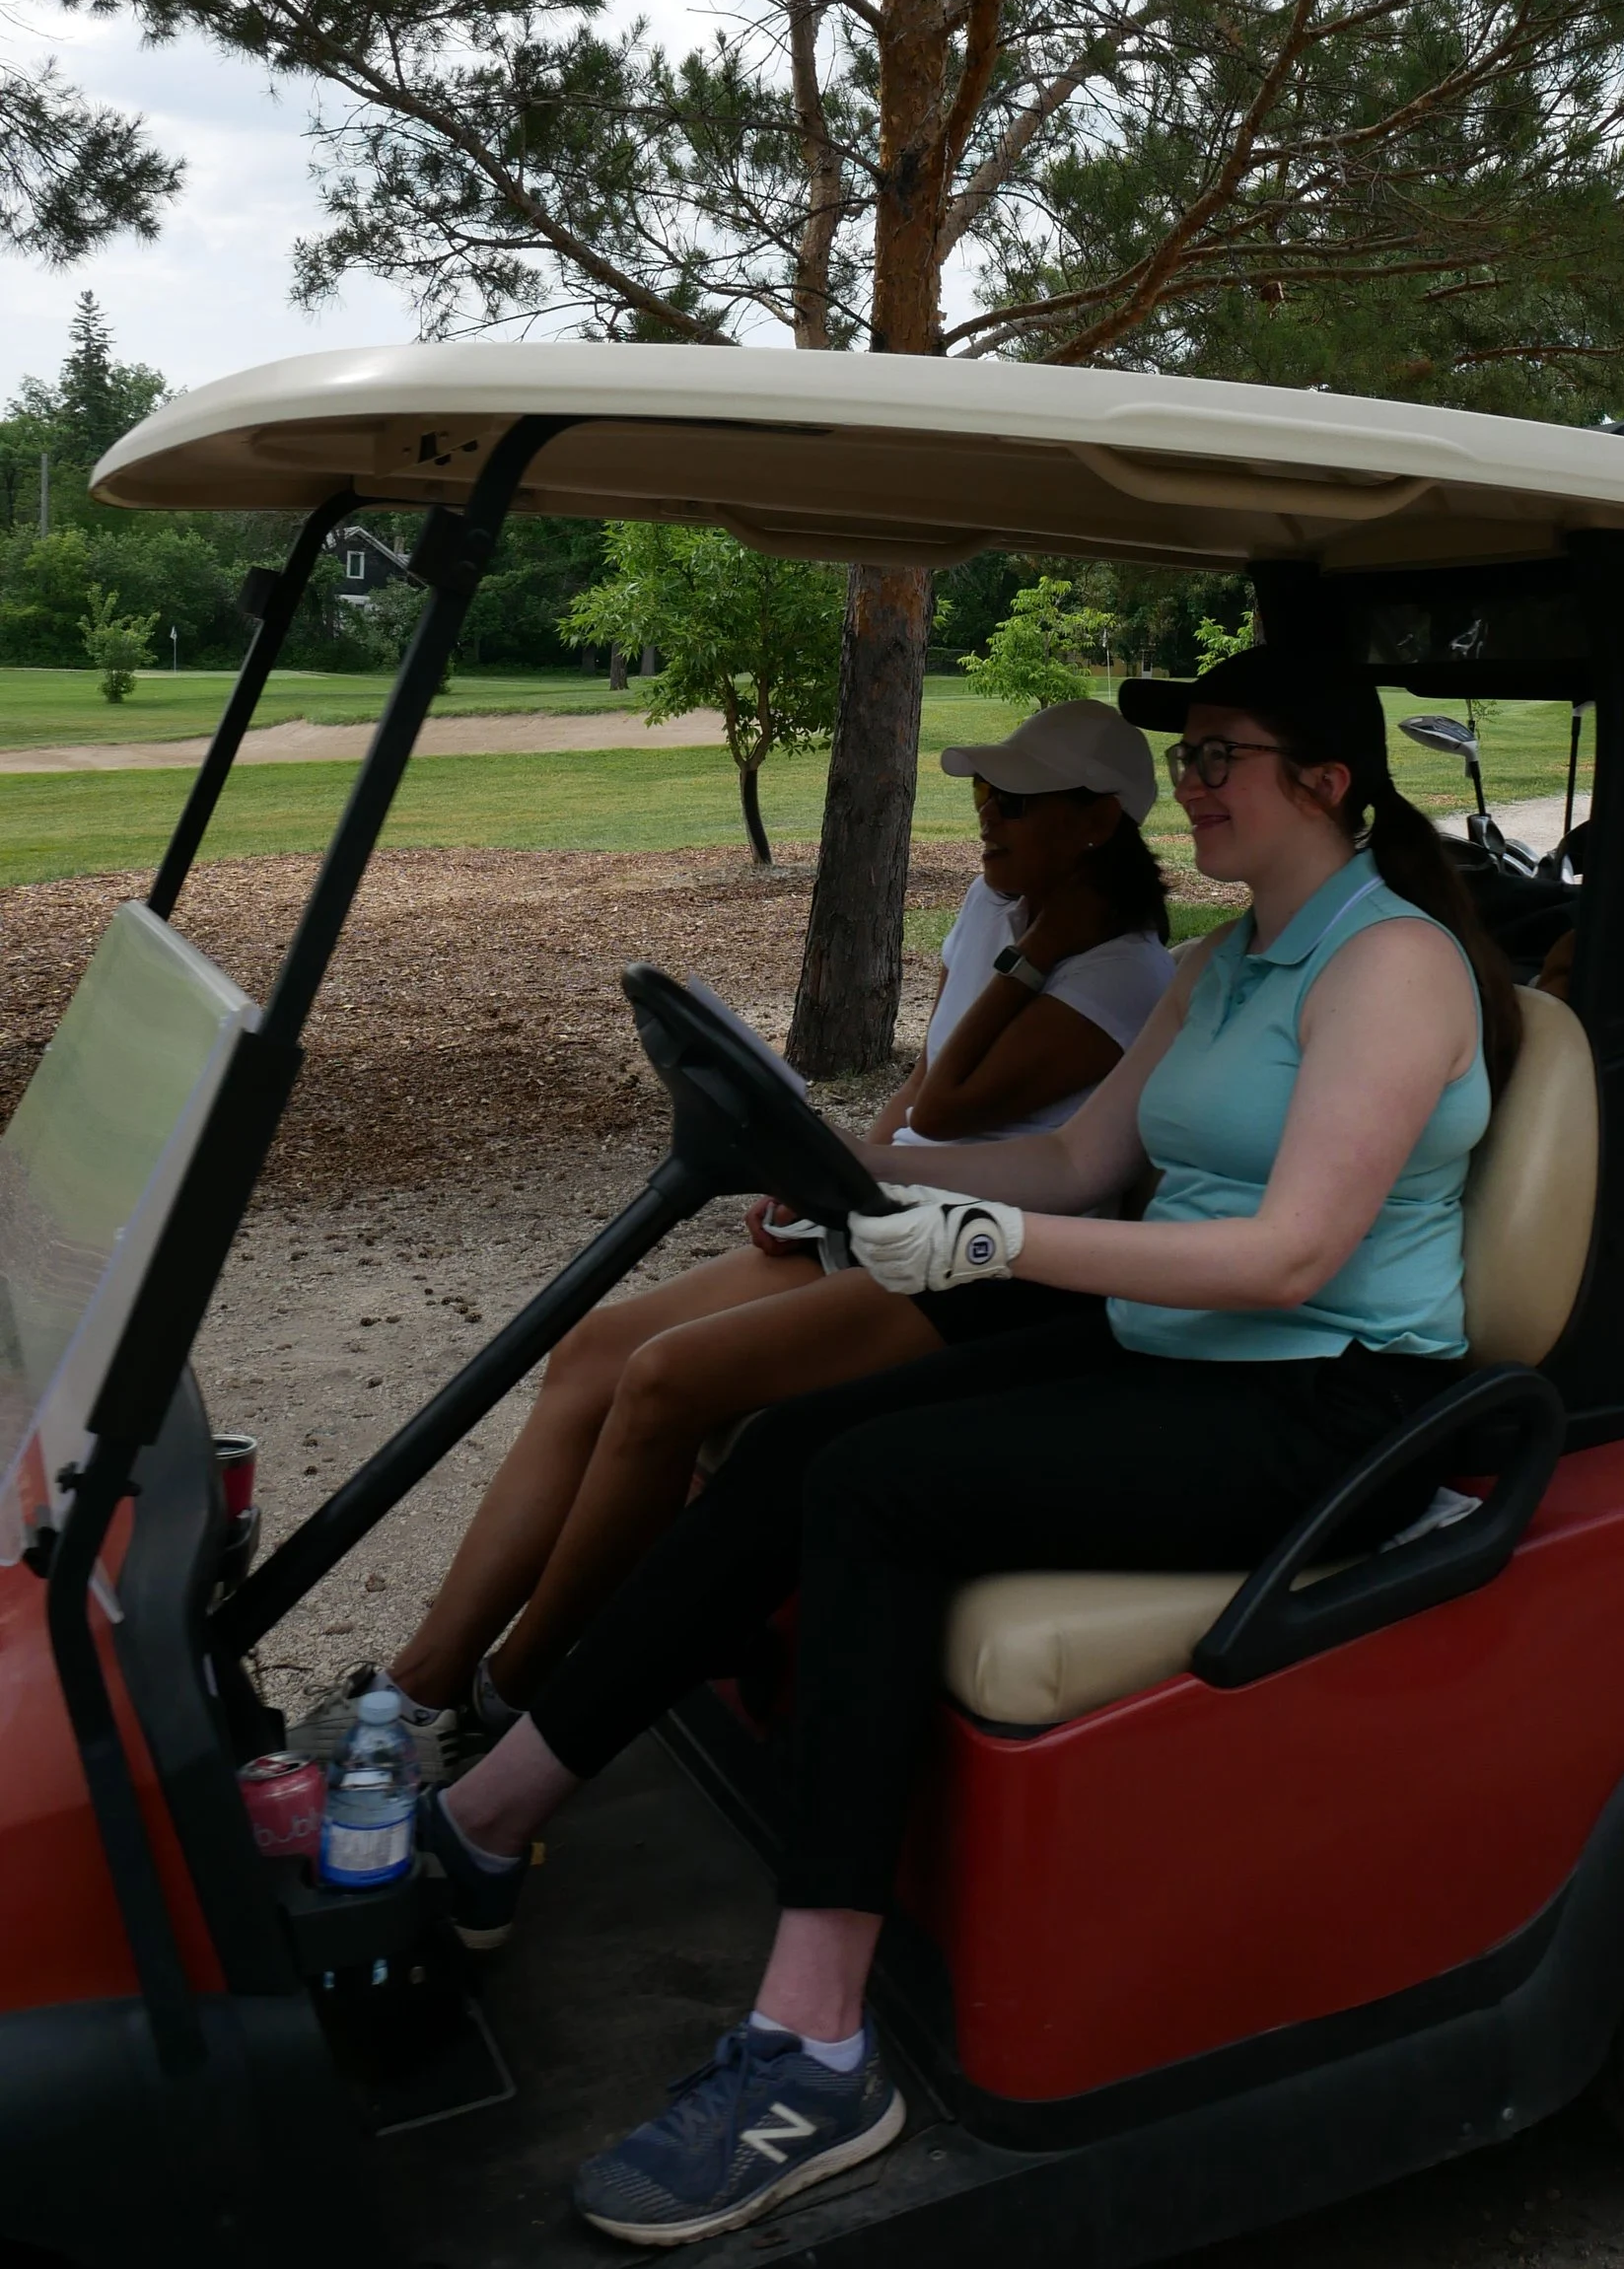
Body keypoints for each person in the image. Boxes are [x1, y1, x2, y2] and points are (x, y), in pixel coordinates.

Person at [417, 651, 1521, 2247]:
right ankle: (485, 1822)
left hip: (1326, 1402)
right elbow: (1081, 1154)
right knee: (798, 1435)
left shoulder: (1392, 966)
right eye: (1186, 753)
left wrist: (988, 1240)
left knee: (882, 1489)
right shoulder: (1233, 959)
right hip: (1185, 1352)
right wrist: (860, 1174)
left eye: (1225, 754)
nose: (1195, 779)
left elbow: (1287, 1256)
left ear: (1331, 780)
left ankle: (818, 2045)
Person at [311, 700, 1176, 1758]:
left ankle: (512, 1691)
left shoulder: (1124, 970)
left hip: (990, 1262)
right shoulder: (997, 906)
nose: (987, 818)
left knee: (668, 1377)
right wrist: (834, 1168)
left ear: (1096, 822)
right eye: (984, 796)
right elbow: (913, 1087)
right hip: (885, 1216)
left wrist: (1042, 956)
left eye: (1018, 802)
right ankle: (418, 1684)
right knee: (591, 1349)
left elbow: (955, 1103)